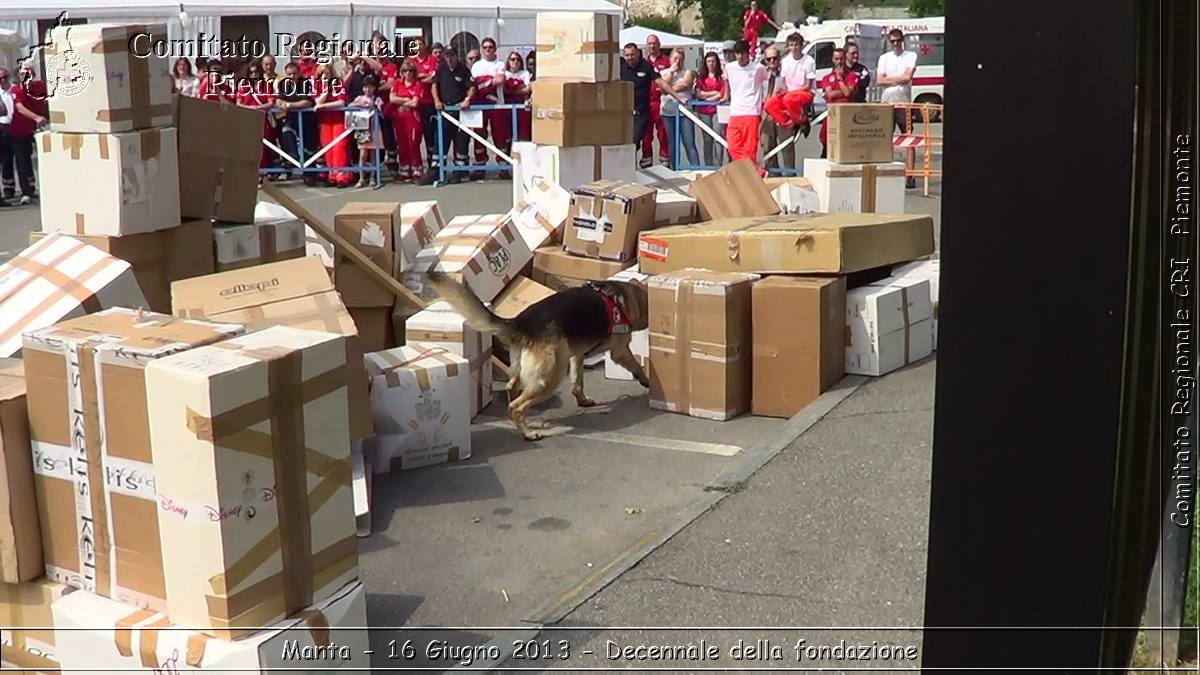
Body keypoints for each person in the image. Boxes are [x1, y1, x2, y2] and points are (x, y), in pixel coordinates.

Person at [620, 42, 686, 170]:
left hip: (641, 113)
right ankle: (628, 170)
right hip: (624, 113)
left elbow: (661, 82)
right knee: (625, 144)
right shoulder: (621, 68)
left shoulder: (646, 66)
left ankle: (635, 168)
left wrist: (677, 97)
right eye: (627, 55)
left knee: (634, 141)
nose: (630, 58)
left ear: (638, 53)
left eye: (632, 55)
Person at [877, 28, 918, 188]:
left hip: (903, 102)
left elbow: (908, 77)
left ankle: (910, 175)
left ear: (903, 40)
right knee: (886, 139)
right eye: (892, 41)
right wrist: (898, 79)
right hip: (887, 102)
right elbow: (879, 81)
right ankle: (887, 171)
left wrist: (890, 79)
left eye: (898, 40)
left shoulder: (910, 56)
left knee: (908, 137)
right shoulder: (884, 58)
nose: (895, 44)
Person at [431, 47, 475, 185]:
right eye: (447, 56)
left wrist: (467, 100)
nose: (449, 59)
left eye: (451, 56)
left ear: (456, 56)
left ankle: (460, 171)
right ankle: (436, 171)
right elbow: (434, 85)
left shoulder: (464, 70)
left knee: (461, 142)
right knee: (441, 141)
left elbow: (472, 87)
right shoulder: (441, 68)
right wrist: (437, 101)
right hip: (444, 110)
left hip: (459, 111)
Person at [723, 40, 768, 172]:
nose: (740, 57)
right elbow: (727, 81)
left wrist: (766, 100)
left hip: (751, 111)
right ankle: (756, 171)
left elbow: (769, 79)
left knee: (749, 149)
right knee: (732, 146)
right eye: (737, 54)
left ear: (747, 53)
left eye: (743, 53)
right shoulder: (729, 67)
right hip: (736, 111)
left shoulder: (758, 68)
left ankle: (751, 177)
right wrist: (726, 95)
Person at [469, 36, 510, 180]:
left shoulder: (500, 64)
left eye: (490, 47)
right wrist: (489, 82)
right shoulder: (476, 66)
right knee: (479, 136)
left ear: (495, 49)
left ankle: (503, 166)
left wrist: (483, 83)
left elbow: (500, 80)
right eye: (485, 47)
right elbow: (473, 85)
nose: (488, 50)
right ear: (482, 49)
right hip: (479, 106)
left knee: (500, 136)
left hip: (497, 105)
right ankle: (480, 165)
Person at [8, 62, 46, 204]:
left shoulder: (40, 86)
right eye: (23, 73)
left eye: (29, 73)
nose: (26, 76)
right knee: (22, 160)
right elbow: (20, 108)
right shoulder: (16, 90)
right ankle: (26, 191)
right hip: (19, 129)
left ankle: (41, 186)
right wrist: (36, 117)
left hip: (38, 128)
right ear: (19, 76)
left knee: (43, 157)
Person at [312, 61, 352, 187]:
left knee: (339, 147)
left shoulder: (337, 83)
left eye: (326, 73)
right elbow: (317, 101)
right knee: (327, 147)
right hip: (325, 121)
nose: (324, 76)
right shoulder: (318, 85)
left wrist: (324, 106)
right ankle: (332, 174)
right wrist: (324, 91)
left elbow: (341, 102)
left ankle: (342, 175)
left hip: (338, 119)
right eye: (321, 73)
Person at [407, 36, 441, 182]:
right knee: (413, 137)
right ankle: (415, 168)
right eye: (416, 45)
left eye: (421, 44)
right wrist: (423, 77)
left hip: (428, 102)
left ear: (425, 46)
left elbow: (433, 78)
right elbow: (408, 78)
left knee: (430, 136)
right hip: (413, 102)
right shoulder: (410, 60)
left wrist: (419, 77)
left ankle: (431, 167)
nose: (418, 47)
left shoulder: (432, 59)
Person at [237, 61, 277, 184]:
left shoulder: (266, 86)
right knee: (248, 146)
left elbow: (271, 102)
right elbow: (239, 103)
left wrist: (259, 108)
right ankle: (249, 172)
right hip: (247, 120)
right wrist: (250, 109)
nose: (254, 74)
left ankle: (261, 172)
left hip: (262, 119)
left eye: (256, 72)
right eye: (251, 72)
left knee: (262, 148)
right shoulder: (243, 86)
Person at [659, 48, 698, 170]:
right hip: (668, 113)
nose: (678, 61)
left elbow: (686, 83)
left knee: (689, 142)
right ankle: (675, 169)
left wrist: (668, 88)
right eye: (675, 58)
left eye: (680, 59)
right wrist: (671, 73)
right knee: (673, 143)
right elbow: (662, 87)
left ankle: (696, 168)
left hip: (684, 112)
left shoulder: (688, 72)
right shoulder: (664, 72)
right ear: (670, 59)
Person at [757, 47, 795, 175]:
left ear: (779, 59)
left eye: (774, 58)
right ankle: (773, 174)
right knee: (767, 146)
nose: (772, 61)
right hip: (766, 115)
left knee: (786, 146)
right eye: (769, 59)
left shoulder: (786, 73)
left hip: (782, 114)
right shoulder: (761, 75)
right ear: (765, 60)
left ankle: (790, 173)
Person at [817, 47, 857, 159]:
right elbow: (830, 94)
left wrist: (840, 79)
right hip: (832, 115)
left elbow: (848, 94)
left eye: (841, 59)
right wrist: (844, 91)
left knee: (846, 143)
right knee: (826, 141)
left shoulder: (851, 75)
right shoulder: (827, 77)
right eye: (836, 59)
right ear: (833, 60)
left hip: (846, 115)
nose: (839, 62)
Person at [389, 62, 425, 182]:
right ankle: (404, 169)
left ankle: (416, 169)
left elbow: (415, 103)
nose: (408, 73)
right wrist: (406, 100)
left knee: (413, 143)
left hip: (413, 116)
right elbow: (392, 99)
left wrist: (403, 102)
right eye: (405, 71)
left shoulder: (418, 84)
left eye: (410, 71)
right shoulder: (397, 83)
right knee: (402, 143)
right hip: (399, 117)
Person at [771, 32, 814, 129]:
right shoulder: (785, 61)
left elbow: (808, 86)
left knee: (788, 99)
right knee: (770, 104)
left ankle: (801, 120)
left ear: (801, 46)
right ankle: (788, 122)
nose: (794, 48)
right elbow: (784, 83)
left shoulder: (809, 61)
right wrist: (782, 91)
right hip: (790, 93)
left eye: (796, 45)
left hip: (805, 93)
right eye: (791, 45)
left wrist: (790, 92)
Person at [693, 52, 727, 166]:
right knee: (707, 140)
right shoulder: (701, 77)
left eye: (713, 61)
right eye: (708, 61)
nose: (711, 64)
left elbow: (722, 94)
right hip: (704, 111)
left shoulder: (721, 77)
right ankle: (708, 165)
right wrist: (713, 93)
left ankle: (718, 164)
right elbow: (698, 93)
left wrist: (707, 95)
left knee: (718, 138)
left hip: (718, 110)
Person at [641, 35, 671, 167]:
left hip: (661, 101)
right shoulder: (643, 63)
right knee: (646, 134)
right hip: (646, 102)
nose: (652, 46)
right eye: (650, 44)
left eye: (654, 43)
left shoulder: (666, 61)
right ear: (647, 46)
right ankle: (646, 159)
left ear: (659, 44)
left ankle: (664, 158)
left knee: (663, 132)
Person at [350, 75, 385, 187]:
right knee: (362, 154)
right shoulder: (359, 98)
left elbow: (380, 108)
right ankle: (361, 178)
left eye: (370, 87)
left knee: (373, 154)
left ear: (374, 88)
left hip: (374, 129)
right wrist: (359, 104)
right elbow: (350, 105)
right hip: (363, 129)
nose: (368, 90)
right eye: (365, 87)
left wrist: (376, 106)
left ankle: (372, 177)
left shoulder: (377, 99)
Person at [503, 51, 532, 142]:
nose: (515, 61)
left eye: (518, 59)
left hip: (521, 107)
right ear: (508, 61)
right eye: (512, 59)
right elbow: (504, 90)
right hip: (507, 107)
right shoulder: (504, 73)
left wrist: (511, 90)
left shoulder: (525, 73)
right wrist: (519, 88)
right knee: (508, 134)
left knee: (523, 135)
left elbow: (527, 89)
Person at [0, 67, 16, 204]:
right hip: (2, 126)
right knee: (5, 158)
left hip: (17, 126)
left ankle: (26, 186)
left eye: (5, 77)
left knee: (19, 159)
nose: (3, 80)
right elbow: (2, 111)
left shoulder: (15, 89)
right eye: (0, 79)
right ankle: (8, 188)